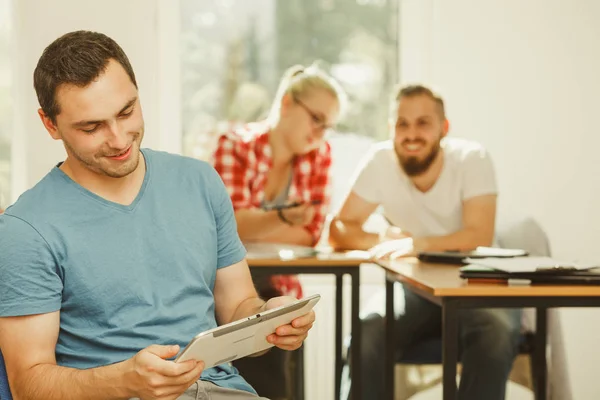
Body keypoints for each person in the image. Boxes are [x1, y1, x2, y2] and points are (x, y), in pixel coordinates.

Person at [0, 30, 316, 400]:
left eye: (126, 111)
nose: (119, 139)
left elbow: (238, 307)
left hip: (222, 391)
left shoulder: (199, 182)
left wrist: (271, 319)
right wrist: (125, 380)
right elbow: (28, 385)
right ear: (50, 124)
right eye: (92, 127)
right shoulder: (26, 229)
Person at [329, 85, 521, 400]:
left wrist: (418, 244)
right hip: (415, 289)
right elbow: (338, 229)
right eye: (402, 124)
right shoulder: (380, 161)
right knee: (367, 333)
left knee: (495, 334)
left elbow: (478, 236)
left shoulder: (472, 158)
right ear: (391, 129)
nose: (411, 133)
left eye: (423, 123)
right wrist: (384, 238)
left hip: (478, 285)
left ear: (444, 129)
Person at [211, 63, 344, 399]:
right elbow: (228, 228)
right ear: (287, 103)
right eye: (316, 118)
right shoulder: (234, 144)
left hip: (280, 284)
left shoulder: (319, 155)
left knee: (285, 318)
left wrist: (254, 220)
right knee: (262, 334)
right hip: (225, 284)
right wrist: (286, 218)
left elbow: (311, 234)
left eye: (327, 126)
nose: (320, 133)